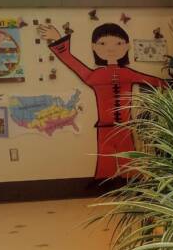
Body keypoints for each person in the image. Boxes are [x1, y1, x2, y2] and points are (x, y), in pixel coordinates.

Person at [38, 22, 164, 179]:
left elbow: (153, 81)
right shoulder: (95, 75)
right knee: (106, 161)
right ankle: (105, 182)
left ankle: (132, 181)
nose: (110, 49)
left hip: (125, 128)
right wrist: (58, 40)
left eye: (118, 43)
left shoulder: (127, 73)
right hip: (104, 128)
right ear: (93, 47)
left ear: (126, 47)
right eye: (102, 43)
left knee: (129, 163)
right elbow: (73, 63)